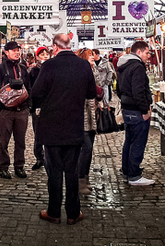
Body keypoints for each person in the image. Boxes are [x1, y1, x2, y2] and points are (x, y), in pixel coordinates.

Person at [32, 34, 97, 225]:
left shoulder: (48, 66)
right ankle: (73, 213)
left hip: (51, 127)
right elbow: (92, 93)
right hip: (74, 126)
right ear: (70, 45)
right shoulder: (83, 65)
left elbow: (36, 93)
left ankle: (53, 212)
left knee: (54, 172)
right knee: (72, 170)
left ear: (54, 47)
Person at [0, 41, 31, 179]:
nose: (16, 52)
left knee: (21, 141)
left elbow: (29, 88)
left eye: (18, 50)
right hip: (5, 112)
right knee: (4, 142)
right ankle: (3, 168)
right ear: (6, 52)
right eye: (13, 50)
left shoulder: (23, 68)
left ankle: (19, 166)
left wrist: (28, 106)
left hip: (22, 111)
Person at [116, 41, 154, 186]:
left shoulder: (123, 66)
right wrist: (145, 110)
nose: (148, 56)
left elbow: (118, 89)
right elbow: (138, 91)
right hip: (137, 111)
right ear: (139, 52)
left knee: (129, 141)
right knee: (137, 142)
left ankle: (127, 171)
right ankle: (134, 175)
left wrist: (125, 101)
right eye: (147, 52)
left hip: (127, 108)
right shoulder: (137, 67)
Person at [75, 48, 101, 195]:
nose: (93, 57)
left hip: (92, 114)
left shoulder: (93, 70)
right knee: (86, 148)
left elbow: (99, 88)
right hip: (82, 115)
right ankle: (79, 180)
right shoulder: (79, 73)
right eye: (90, 55)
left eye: (93, 55)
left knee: (89, 149)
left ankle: (85, 177)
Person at [29, 46, 50, 171]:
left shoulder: (54, 69)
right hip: (37, 106)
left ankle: (48, 157)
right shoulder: (33, 71)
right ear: (37, 56)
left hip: (51, 106)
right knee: (38, 133)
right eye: (42, 54)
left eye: (46, 54)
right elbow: (31, 88)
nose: (45, 56)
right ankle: (39, 157)